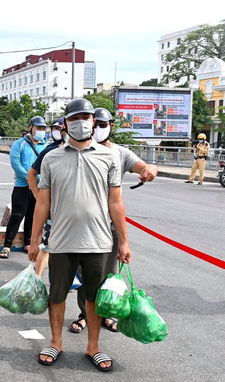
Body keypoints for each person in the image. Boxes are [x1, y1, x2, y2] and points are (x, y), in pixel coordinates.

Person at [28, 98, 131, 372]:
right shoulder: (51, 158)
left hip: (98, 241)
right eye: (75, 118)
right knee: (57, 294)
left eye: (86, 118)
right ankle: (56, 342)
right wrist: (35, 240)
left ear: (93, 122)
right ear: (65, 124)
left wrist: (123, 240)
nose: (82, 123)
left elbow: (116, 202)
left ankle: (93, 346)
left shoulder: (109, 157)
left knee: (94, 297)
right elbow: (42, 202)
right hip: (61, 240)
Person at [67, 108, 158, 334]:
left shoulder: (120, 153)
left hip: (109, 225)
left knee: (108, 271)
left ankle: (105, 312)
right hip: (84, 226)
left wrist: (151, 169)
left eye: (102, 124)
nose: (96, 129)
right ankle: (85, 314)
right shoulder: (79, 151)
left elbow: (143, 166)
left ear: (111, 126)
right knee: (85, 271)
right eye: (93, 123)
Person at [0, 116, 47, 259]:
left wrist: (38, 180)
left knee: (33, 217)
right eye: (38, 128)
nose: (41, 131)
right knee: (17, 216)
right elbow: (15, 163)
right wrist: (29, 177)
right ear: (31, 127)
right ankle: (7, 245)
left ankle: (27, 242)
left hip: (38, 188)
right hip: (22, 186)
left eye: (43, 128)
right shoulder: (19, 144)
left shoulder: (45, 146)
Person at [26, 117, 66, 276]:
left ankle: (68, 279)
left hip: (72, 212)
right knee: (47, 245)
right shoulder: (50, 152)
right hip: (53, 208)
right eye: (56, 129)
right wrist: (38, 195)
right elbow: (31, 174)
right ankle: (36, 279)